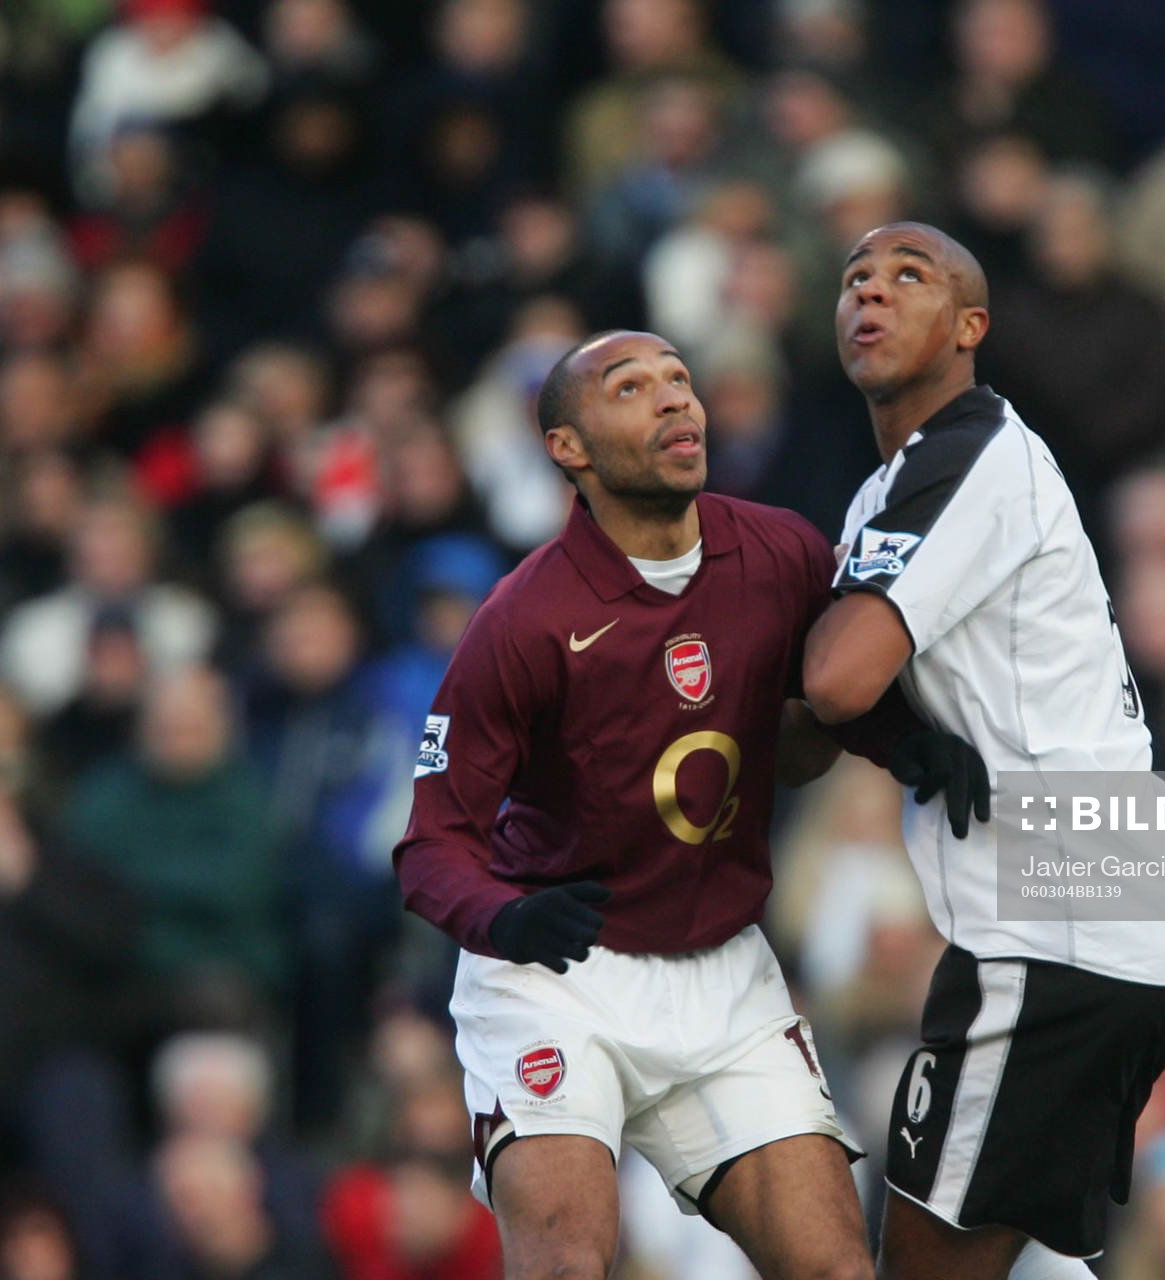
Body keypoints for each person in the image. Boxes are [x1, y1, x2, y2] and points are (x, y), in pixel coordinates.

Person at [393, 328, 988, 1280]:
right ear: (568, 448)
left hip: (724, 977)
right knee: (566, 1269)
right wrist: (507, 917)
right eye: (632, 388)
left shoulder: (781, 550)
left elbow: (823, 692)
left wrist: (906, 744)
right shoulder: (522, 621)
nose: (676, 400)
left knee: (839, 1272)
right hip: (558, 977)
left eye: (680, 379)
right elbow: (429, 848)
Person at [803, 222, 1165, 1280]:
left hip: (1068, 926)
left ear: (970, 325)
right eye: (856, 278)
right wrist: (894, 731)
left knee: (927, 1259)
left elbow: (831, 682)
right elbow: (820, 726)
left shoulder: (973, 451)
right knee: (1035, 1248)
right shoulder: (893, 490)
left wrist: (839, 685)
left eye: (911, 277)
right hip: (1116, 916)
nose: (873, 292)